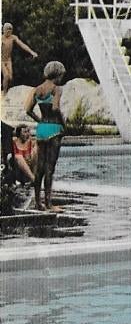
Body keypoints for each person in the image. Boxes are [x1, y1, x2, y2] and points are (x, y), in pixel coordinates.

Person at [24, 61, 66, 212]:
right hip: (54, 128)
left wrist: (39, 120)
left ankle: (37, 202)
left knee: (39, 168)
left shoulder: (37, 90)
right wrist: (63, 123)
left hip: (41, 129)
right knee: (50, 168)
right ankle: (49, 204)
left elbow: (28, 109)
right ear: (58, 74)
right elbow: (55, 108)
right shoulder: (56, 89)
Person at [1, 23, 38, 95]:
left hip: (8, 60)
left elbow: (22, 44)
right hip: (1, 60)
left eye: (10, 31)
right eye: (7, 31)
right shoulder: (1, 38)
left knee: (10, 78)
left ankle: (6, 88)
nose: (9, 33)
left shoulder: (13, 37)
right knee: (6, 76)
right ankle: (4, 93)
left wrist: (31, 52)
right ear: (4, 30)